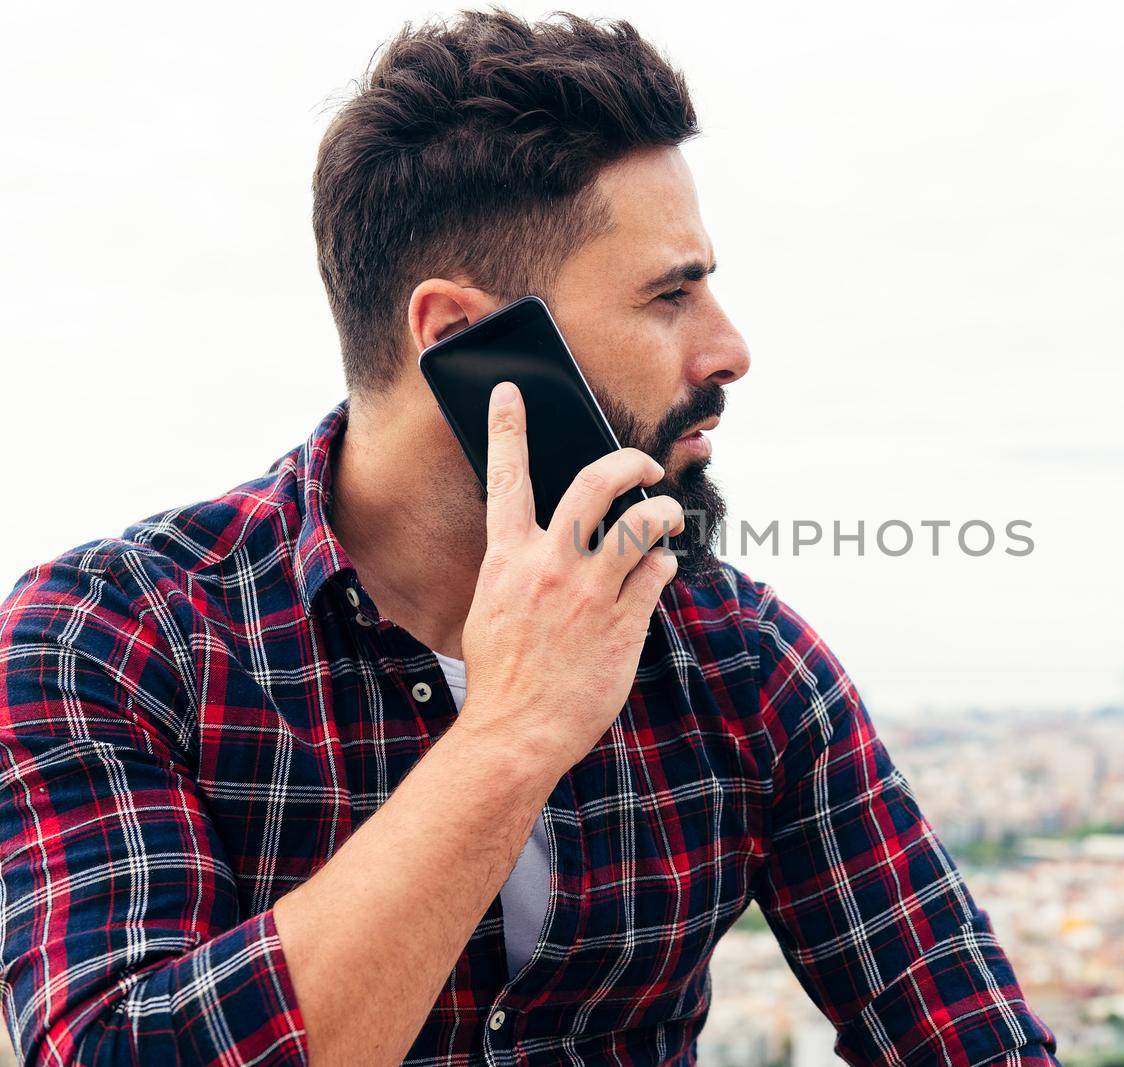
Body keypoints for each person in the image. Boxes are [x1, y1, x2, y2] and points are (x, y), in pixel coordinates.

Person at [0, 9, 1058, 1065]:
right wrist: (512, 730)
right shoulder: (110, 638)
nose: (729, 350)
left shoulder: (736, 653)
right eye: (669, 295)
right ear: (467, 341)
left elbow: (973, 1037)